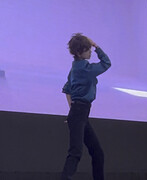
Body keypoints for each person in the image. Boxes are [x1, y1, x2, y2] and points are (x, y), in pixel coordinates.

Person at [61, 33, 111, 180]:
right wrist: (96, 46)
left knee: (97, 152)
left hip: (79, 114)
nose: (90, 52)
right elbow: (106, 63)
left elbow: (67, 89)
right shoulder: (85, 69)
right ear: (78, 52)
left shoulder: (75, 67)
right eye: (87, 49)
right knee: (75, 153)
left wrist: (73, 112)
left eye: (90, 49)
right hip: (79, 113)